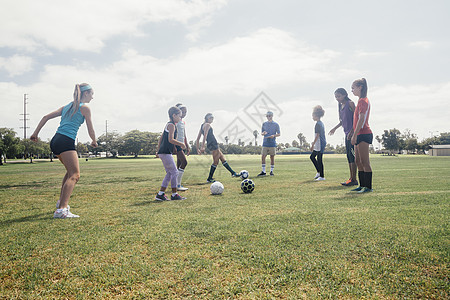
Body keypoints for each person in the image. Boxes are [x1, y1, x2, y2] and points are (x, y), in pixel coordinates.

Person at [30, 83, 97, 218]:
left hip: (56, 140)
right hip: (66, 141)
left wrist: (35, 133)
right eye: (91, 94)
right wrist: (94, 141)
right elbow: (90, 129)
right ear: (85, 94)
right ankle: (62, 210)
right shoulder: (85, 108)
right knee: (75, 175)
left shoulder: (67, 106)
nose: (92, 97)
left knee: (69, 173)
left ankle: (61, 202)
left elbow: (45, 117)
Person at [196, 113, 239, 183]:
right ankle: (209, 178)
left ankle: (233, 173)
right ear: (207, 118)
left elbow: (198, 139)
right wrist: (202, 146)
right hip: (213, 144)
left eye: (213, 118)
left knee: (222, 159)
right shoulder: (207, 125)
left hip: (212, 144)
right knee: (216, 162)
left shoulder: (202, 126)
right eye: (211, 118)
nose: (212, 119)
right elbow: (205, 136)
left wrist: (197, 148)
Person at [155, 107, 187, 201]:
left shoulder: (170, 124)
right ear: (174, 115)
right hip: (165, 152)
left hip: (164, 152)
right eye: (179, 116)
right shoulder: (171, 125)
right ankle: (174, 194)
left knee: (169, 173)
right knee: (174, 172)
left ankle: (160, 194)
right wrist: (181, 144)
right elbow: (170, 139)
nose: (180, 118)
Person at [328, 88, 358, 186]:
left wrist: (353, 131)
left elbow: (356, 118)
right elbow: (342, 121)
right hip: (347, 134)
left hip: (353, 134)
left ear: (344, 95)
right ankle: (351, 178)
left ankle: (354, 179)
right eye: (336, 97)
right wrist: (334, 128)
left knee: (353, 156)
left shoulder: (350, 103)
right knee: (349, 156)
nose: (337, 98)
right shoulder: (341, 106)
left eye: (339, 96)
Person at [350, 78, 373, 193]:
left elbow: (362, 119)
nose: (352, 90)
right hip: (358, 134)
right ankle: (362, 185)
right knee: (358, 161)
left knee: (365, 162)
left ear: (360, 87)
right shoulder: (360, 101)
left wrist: (354, 135)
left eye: (353, 88)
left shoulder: (363, 101)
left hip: (364, 134)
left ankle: (368, 187)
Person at [257, 111, 280, 176]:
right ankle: (263, 172)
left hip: (272, 143)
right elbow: (262, 133)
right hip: (265, 143)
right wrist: (263, 133)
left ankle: (271, 171)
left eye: (269, 116)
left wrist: (273, 136)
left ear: (272, 116)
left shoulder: (276, 124)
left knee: (272, 157)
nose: (268, 117)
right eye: (267, 116)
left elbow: (279, 134)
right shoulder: (264, 124)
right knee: (263, 157)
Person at [174, 103, 190, 191]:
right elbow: (173, 134)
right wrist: (174, 146)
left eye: (186, 112)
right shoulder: (175, 121)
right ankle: (178, 185)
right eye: (183, 112)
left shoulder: (183, 122)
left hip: (182, 145)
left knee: (179, 165)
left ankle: (175, 184)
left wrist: (187, 145)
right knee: (184, 162)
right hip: (177, 145)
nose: (184, 113)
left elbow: (184, 135)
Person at [310, 105, 326, 181]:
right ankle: (319, 172)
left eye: (313, 115)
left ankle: (322, 176)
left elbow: (317, 136)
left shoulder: (318, 124)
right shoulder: (320, 123)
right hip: (319, 143)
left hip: (320, 143)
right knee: (312, 157)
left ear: (316, 115)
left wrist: (312, 145)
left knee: (319, 159)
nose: (312, 117)